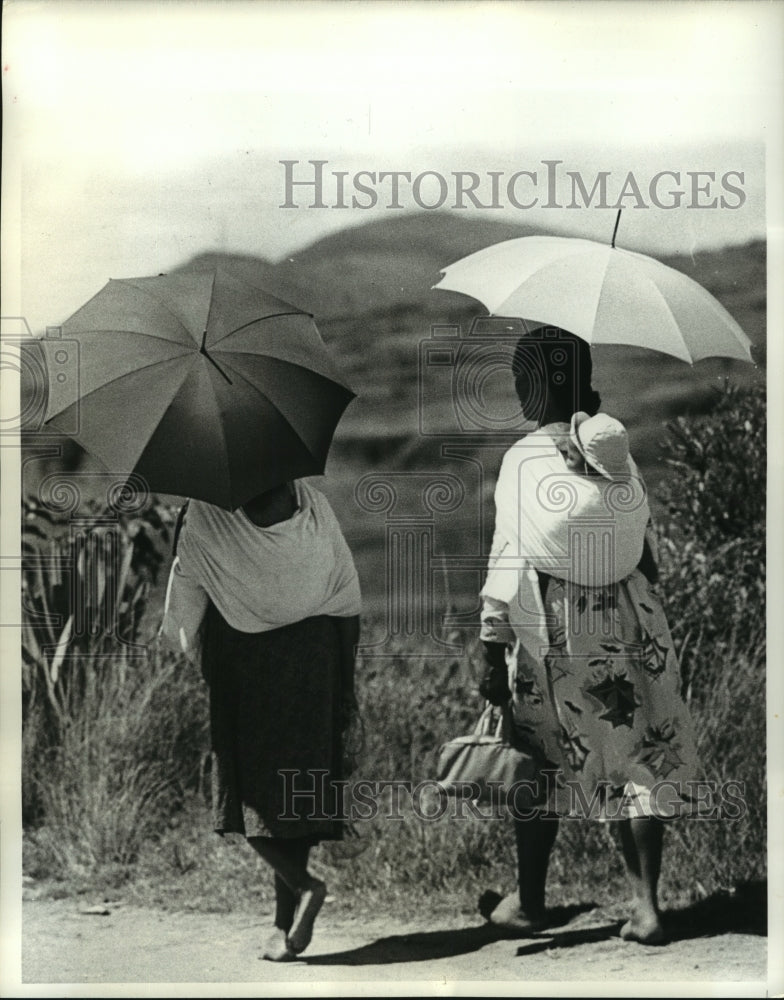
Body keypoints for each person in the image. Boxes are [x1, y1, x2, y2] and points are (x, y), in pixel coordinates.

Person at [478, 327, 705, 945]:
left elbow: (507, 560)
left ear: (537, 386)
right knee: (637, 753)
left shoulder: (523, 458)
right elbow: (648, 553)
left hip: (556, 629)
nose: (517, 391)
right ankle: (646, 906)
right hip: (633, 617)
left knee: (538, 759)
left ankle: (527, 903)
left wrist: (490, 654)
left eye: (520, 379)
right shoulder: (616, 452)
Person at [160, 478, 361, 961]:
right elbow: (346, 593)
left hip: (244, 662)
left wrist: (186, 649)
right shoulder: (312, 506)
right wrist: (346, 683)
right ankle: (281, 924)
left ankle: (303, 886)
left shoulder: (205, 514)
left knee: (245, 792)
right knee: (292, 793)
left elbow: (184, 606)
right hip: (317, 657)